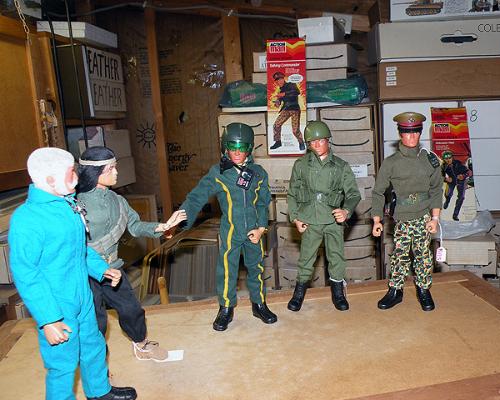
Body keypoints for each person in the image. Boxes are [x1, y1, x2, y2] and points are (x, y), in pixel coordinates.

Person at [9, 147, 137, 400]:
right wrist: (48, 319)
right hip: (57, 305)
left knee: (93, 346)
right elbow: (27, 274)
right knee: (62, 365)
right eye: (71, 173)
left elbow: (80, 250)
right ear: (50, 179)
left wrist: (101, 269)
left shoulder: (68, 206)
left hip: (81, 297)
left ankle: (99, 391)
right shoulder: (27, 220)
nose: (77, 178)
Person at [77, 146, 187, 361]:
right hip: (86, 271)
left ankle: (141, 344)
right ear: (95, 172)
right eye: (111, 169)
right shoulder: (77, 204)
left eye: (115, 167)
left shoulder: (118, 201)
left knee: (131, 309)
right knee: (95, 320)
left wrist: (163, 226)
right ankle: (97, 364)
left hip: (114, 267)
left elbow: (135, 226)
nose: (116, 173)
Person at [180, 123, 276, 331]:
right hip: (231, 230)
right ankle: (226, 308)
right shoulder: (218, 173)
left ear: (249, 149)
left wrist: (261, 228)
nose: (237, 153)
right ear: (225, 147)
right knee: (226, 270)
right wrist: (180, 220)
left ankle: (259, 304)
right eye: (232, 148)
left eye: (242, 148)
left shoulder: (258, 173)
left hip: (253, 231)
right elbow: (197, 196)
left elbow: (263, 203)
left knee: (256, 268)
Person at [286, 121, 361, 311]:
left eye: (321, 140)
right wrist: (295, 217)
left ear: (328, 140)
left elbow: (353, 194)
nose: (317, 144)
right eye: (312, 142)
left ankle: (338, 293)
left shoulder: (340, 166)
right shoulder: (301, 165)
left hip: (332, 219)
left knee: (336, 257)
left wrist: (346, 211)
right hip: (310, 219)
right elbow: (292, 193)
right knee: (306, 258)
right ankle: (298, 294)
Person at [371, 112, 443, 312]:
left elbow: (436, 190)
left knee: (423, 255)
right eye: (407, 132)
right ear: (400, 134)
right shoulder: (391, 163)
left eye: (416, 132)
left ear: (420, 133)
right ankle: (396, 290)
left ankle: (423, 289)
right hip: (402, 217)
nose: (412, 137)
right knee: (400, 255)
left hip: (423, 216)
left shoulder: (430, 160)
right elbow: (378, 192)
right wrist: (377, 220)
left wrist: (435, 218)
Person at [269, 71, 306, 151]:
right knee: (276, 125)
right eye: (277, 80)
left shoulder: (291, 84)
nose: (279, 81)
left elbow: (297, 92)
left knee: (295, 130)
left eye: (280, 79)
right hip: (286, 109)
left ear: (283, 79)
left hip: (294, 109)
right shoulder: (280, 90)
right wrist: (277, 103)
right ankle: (278, 142)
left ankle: (301, 142)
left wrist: (284, 94)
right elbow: (280, 101)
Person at [442, 150, 469, 221]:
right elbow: (440, 176)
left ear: (452, 158)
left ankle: (455, 214)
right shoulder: (443, 166)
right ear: (444, 159)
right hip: (451, 181)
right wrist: (446, 179)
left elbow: (468, 172)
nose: (448, 160)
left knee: (461, 197)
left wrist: (463, 176)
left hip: (461, 181)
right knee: (448, 193)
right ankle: (447, 201)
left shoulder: (458, 163)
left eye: (449, 158)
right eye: (446, 159)